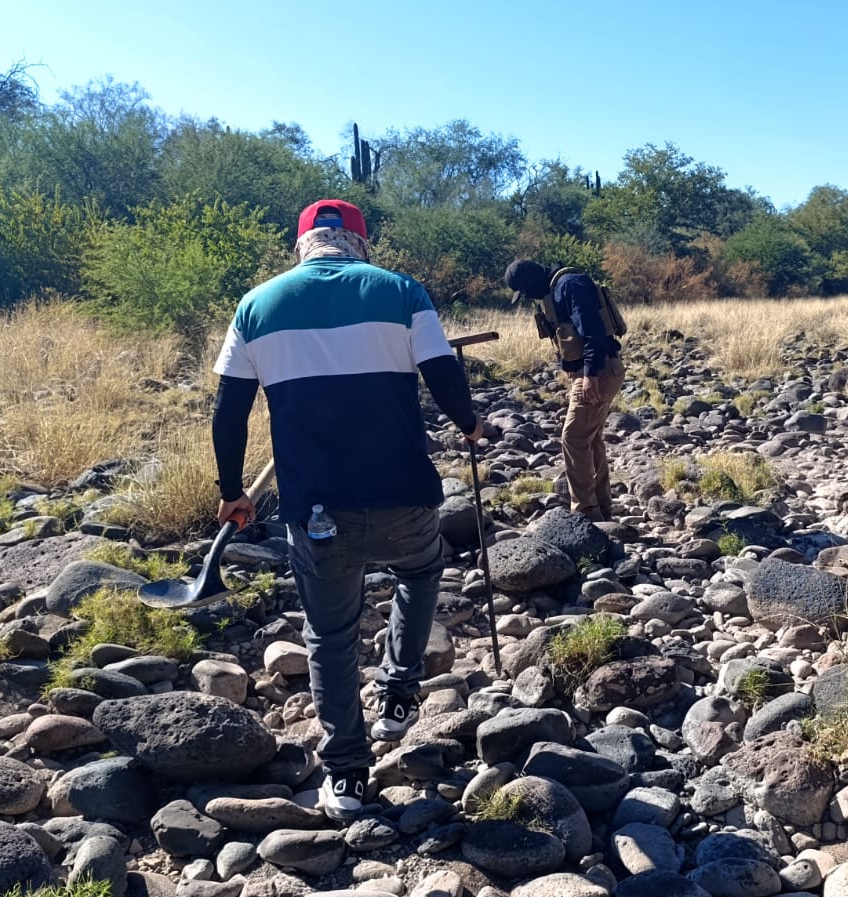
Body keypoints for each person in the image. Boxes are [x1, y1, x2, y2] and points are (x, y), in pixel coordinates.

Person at [211, 199, 483, 821]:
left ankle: (347, 775)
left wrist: (233, 490)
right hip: (404, 493)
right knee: (418, 572)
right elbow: (443, 376)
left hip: (316, 507)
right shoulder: (402, 291)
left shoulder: (257, 306)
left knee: (329, 637)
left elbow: (229, 409)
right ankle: (397, 690)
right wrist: (469, 424)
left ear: (302, 244)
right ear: (359, 242)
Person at [503, 259, 625, 521]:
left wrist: (590, 375)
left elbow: (592, 332)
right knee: (589, 438)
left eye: (525, 292)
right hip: (596, 370)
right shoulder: (560, 286)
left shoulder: (569, 285)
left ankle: (586, 511)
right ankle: (601, 506)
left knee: (573, 438)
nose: (529, 298)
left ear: (530, 281)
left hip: (598, 371)